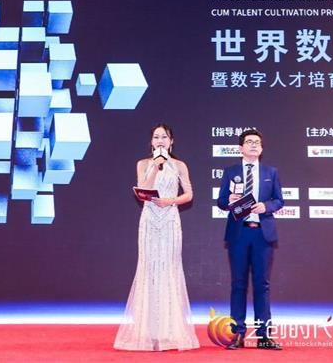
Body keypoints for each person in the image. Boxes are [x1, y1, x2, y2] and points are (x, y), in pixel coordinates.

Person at [114, 124, 200, 351]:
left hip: (170, 219)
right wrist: (155, 166)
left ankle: (169, 332)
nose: (160, 140)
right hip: (149, 221)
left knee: (169, 268)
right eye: (156, 137)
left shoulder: (180, 165)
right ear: (151, 142)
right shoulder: (143, 164)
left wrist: (170, 201)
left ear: (171, 141)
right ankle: (148, 332)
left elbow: (189, 194)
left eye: (164, 137)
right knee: (149, 269)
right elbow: (142, 190)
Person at [217, 129, 284, 350]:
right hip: (239, 233)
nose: (254, 145)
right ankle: (238, 333)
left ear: (261, 148)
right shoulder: (230, 171)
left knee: (262, 285)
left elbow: (279, 200)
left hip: (262, 234)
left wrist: (267, 206)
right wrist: (229, 199)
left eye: (257, 142)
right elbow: (221, 201)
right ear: (241, 148)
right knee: (238, 284)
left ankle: (264, 335)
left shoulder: (271, 172)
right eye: (249, 142)